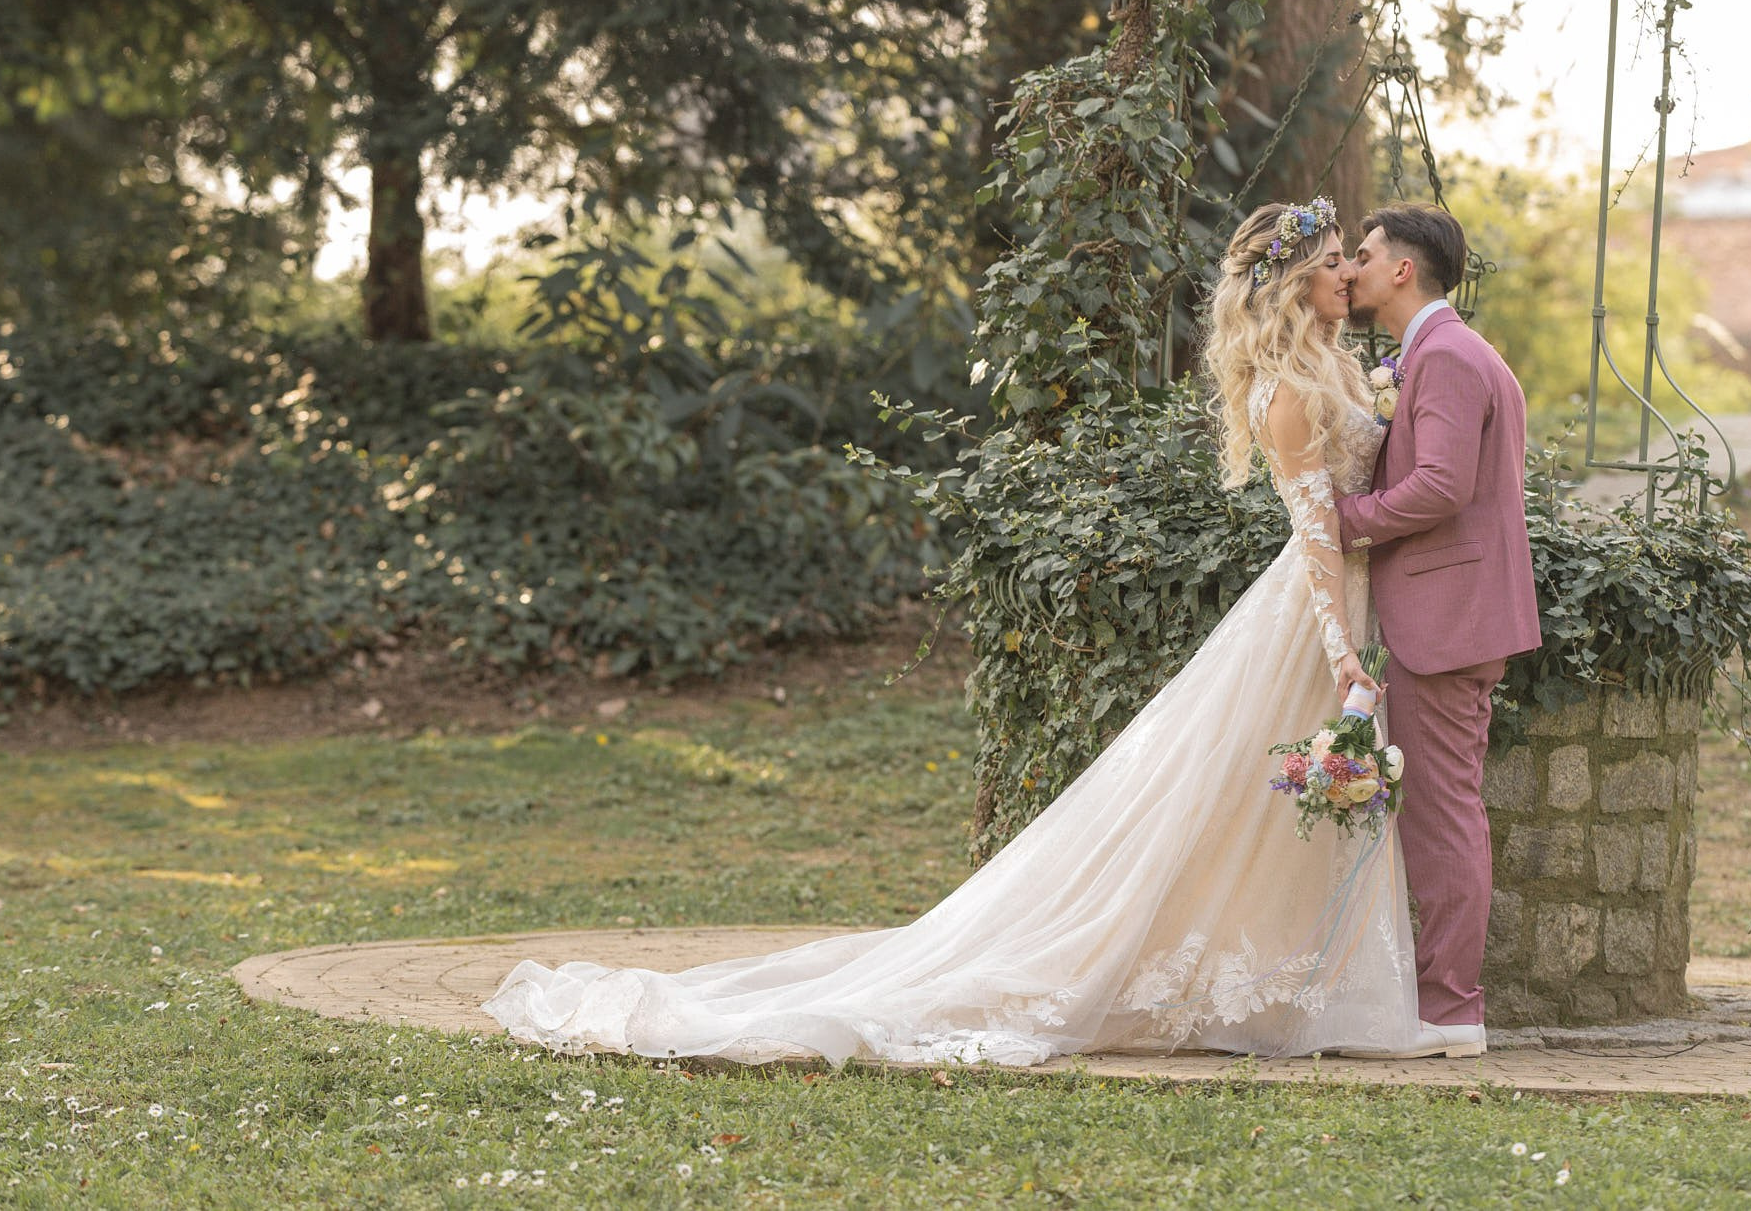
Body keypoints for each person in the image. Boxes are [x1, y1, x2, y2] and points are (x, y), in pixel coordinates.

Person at [483, 198, 1428, 1066]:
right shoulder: (1289, 392)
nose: (1347, 273)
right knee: (1249, 796)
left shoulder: (1339, 364)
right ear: (1290, 281)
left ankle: (1289, 980)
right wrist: (1342, 652)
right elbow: (1315, 531)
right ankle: (1244, 984)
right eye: (1331, 262)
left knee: (1264, 805)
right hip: (1313, 612)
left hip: (1345, 597)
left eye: (1347, 260)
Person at [1332, 204, 1542, 1060]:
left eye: (1364, 253)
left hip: (1449, 621)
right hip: (1452, 614)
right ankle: (1443, 1002)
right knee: (1441, 809)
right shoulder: (1442, 351)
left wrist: (1343, 521)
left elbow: (1442, 485)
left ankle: (1452, 1008)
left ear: (1403, 270)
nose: (1351, 266)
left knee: (1444, 815)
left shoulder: (1448, 356)